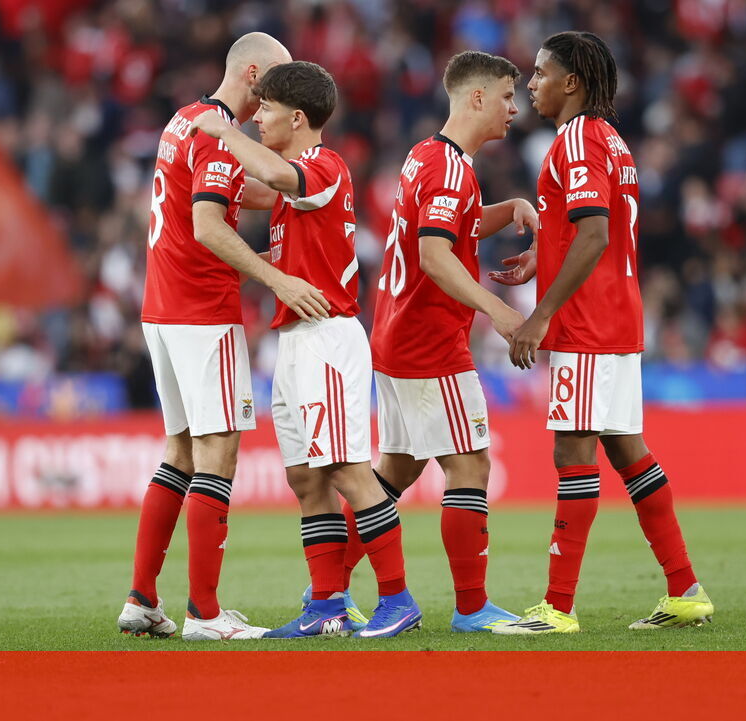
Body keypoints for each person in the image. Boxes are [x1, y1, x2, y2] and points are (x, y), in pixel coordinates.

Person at [490, 31, 713, 635]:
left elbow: (595, 234)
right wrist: (545, 253)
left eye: (540, 73)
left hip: (587, 324)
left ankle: (557, 608)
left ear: (572, 82)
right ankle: (685, 589)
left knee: (573, 452)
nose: (531, 83)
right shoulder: (611, 139)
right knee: (626, 450)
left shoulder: (578, 138)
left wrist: (540, 315)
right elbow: (588, 230)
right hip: (618, 317)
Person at [190, 61, 418, 639]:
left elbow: (270, 171)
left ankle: (397, 598)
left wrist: (221, 130)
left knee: (346, 470)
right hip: (293, 338)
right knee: (306, 480)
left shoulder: (324, 166)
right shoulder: (292, 182)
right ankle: (326, 604)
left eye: (265, 108)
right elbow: (254, 188)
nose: (257, 117)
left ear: (297, 118)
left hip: (327, 337)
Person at [117, 32, 330, 642]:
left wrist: (300, 194)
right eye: (278, 80)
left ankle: (142, 598)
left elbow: (236, 188)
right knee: (218, 455)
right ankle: (204, 614)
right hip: (202, 311)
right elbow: (209, 225)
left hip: (162, 308)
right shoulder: (218, 131)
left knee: (180, 452)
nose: (282, 95)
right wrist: (277, 278)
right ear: (254, 74)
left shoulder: (185, 119)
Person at [338, 50, 539, 633]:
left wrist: (510, 208)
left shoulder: (426, 156)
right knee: (470, 463)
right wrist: (498, 310)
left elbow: (451, 226)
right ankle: (472, 607)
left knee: (395, 472)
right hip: (429, 344)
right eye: (506, 96)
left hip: (395, 337)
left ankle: (326, 589)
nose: (514, 108)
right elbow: (433, 252)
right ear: (477, 97)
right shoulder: (452, 169)